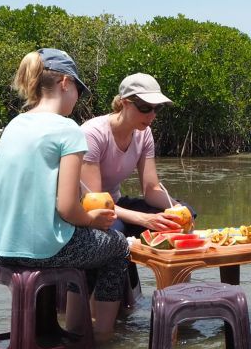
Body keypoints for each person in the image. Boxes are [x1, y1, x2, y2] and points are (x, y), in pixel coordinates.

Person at [0, 48, 130, 340]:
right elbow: (66, 207)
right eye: (78, 89)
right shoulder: (68, 130)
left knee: (87, 245)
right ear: (65, 82)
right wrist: (92, 219)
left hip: (1, 247)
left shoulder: (14, 125)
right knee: (117, 246)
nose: (77, 98)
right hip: (43, 252)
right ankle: (99, 337)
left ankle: (68, 329)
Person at [79, 73, 192, 239]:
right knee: (115, 230)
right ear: (125, 102)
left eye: (157, 108)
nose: (152, 115)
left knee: (182, 214)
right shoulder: (93, 134)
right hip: (90, 209)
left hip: (116, 203)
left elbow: (151, 189)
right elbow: (95, 202)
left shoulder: (145, 134)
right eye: (145, 107)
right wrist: (145, 219)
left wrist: (178, 208)